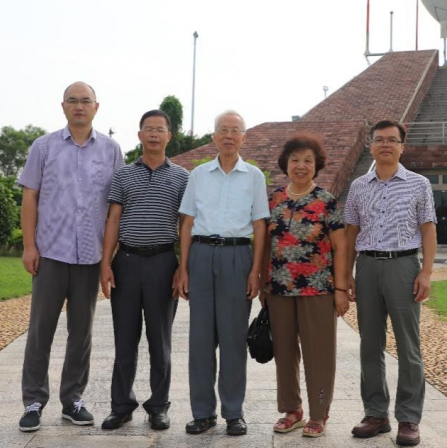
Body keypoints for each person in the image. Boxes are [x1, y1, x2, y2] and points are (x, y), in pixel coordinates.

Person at [16, 82, 124, 432]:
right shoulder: (44, 147)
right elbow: (30, 197)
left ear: (96, 107)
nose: (79, 106)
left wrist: (109, 257)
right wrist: (29, 246)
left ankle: (73, 399)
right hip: (50, 253)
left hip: (90, 256)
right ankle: (33, 401)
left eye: (85, 101)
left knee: (81, 333)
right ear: (63, 106)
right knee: (40, 330)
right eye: (73, 101)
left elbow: (116, 206)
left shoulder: (111, 150)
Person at [174, 110, 269, 436]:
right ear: (214, 136)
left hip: (237, 257)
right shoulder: (198, 175)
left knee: (233, 340)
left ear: (244, 137)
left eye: (235, 130)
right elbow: (187, 222)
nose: (229, 135)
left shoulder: (254, 177)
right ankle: (202, 413)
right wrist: (183, 268)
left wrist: (255, 271)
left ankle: (233, 412)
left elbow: (260, 225)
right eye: (223, 130)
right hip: (201, 256)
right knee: (200, 340)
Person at [344, 119, 437, 447]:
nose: (385, 144)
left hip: (404, 267)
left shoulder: (419, 184)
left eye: (392, 140)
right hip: (367, 267)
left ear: (402, 147)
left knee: (409, 346)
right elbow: (351, 233)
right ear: (370, 146)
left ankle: (409, 418)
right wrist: (346, 275)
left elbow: (428, 228)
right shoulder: (358, 186)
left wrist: (426, 272)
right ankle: (376, 414)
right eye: (379, 139)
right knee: (370, 344)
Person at [99, 109, 189, 431]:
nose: (153, 134)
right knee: (125, 339)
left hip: (163, 263)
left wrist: (183, 267)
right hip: (126, 263)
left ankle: (158, 406)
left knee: (159, 340)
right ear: (139, 135)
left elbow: (186, 224)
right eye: (148, 129)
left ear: (168, 136)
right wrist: (105, 264)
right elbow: (113, 220)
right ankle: (121, 406)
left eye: (159, 129)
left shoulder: (182, 177)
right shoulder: (123, 175)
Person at [261, 133, 350, 439]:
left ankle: (319, 413)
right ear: (285, 164)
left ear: (317, 165)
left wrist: (341, 289)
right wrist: (263, 284)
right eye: (295, 160)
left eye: (308, 160)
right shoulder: (274, 199)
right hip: (279, 289)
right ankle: (292, 410)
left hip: (318, 289)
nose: (301, 165)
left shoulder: (326, 201)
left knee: (319, 354)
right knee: (284, 352)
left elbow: (341, 246)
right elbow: (265, 244)